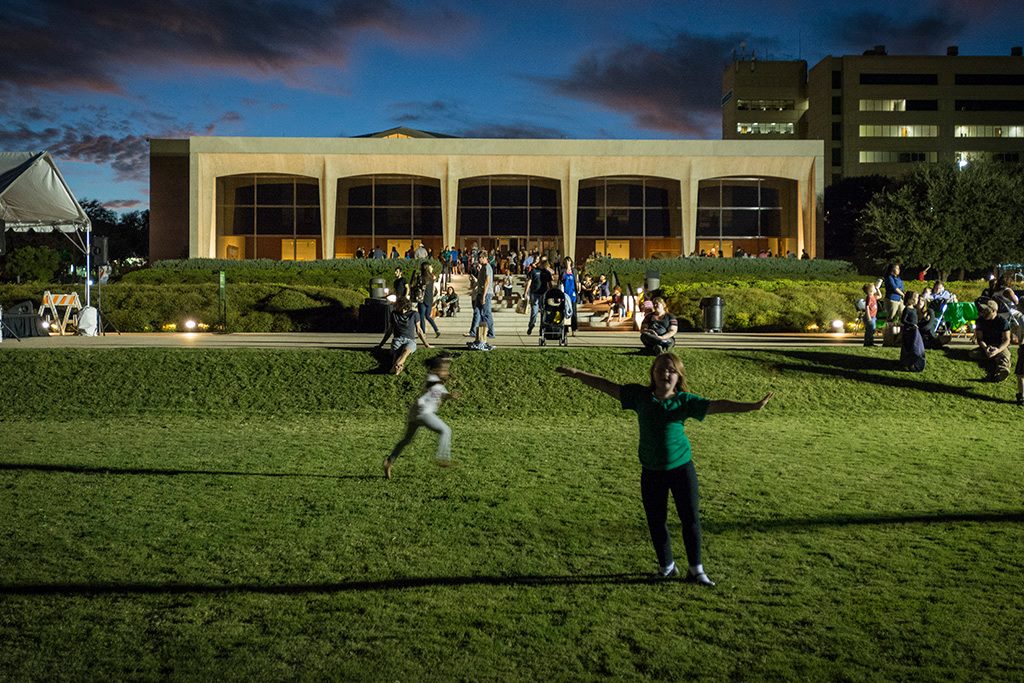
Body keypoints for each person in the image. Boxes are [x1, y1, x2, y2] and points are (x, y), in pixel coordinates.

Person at [556, 354, 773, 585]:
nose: (665, 374)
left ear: (678, 376)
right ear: (653, 374)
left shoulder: (684, 401)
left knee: (689, 519)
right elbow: (606, 385)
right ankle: (667, 566)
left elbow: (717, 405)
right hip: (651, 471)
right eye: (660, 369)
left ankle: (696, 570)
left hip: (681, 470)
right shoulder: (640, 396)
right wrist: (578, 374)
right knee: (656, 520)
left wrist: (752, 406)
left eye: (670, 370)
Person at [383, 354, 455, 479]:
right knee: (445, 430)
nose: (446, 371)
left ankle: (389, 461)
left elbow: (443, 394)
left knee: (407, 440)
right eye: (443, 369)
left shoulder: (439, 384)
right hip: (423, 413)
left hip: (415, 413)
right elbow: (430, 385)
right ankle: (443, 458)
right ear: (434, 370)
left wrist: (451, 396)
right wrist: (442, 376)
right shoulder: (431, 377)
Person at [375, 296, 432, 375]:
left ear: (407, 307)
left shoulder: (414, 314)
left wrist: (426, 344)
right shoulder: (394, 314)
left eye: (404, 308)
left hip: (410, 340)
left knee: (406, 351)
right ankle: (397, 367)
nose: (402, 310)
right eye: (400, 308)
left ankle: (395, 367)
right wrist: (381, 344)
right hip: (397, 339)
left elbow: (419, 330)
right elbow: (390, 330)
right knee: (396, 354)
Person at [971, 299, 1011, 382]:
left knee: (1004, 356)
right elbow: (980, 339)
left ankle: (1002, 370)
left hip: (999, 345)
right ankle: (992, 358)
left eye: (986, 311)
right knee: (973, 354)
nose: (983, 313)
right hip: (987, 345)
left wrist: (997, 350)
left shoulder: (1003, 322)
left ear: (993, 311)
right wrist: (985, 348)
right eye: (983, 310)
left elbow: (1007, 340)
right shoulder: (980, 321)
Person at [467, 250, 495, 344]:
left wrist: (483, 296)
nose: (478, 259)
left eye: (480, 258)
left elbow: (487, 282)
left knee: (487, 313)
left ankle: (491, 332)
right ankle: (473, 331)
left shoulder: (487, 267)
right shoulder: (483, 267)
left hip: (486, 294)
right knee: (477, 312)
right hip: (480, 292)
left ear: (484, 258)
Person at [897, 291, 925, 372]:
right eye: (915, 298)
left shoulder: (914, 309)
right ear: (909, 300)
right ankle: (906, 363)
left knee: (914, 347)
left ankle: (913, 363)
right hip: (908, 331)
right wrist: (911, 324)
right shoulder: (907, 309)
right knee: (908, 348)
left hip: (914, 331)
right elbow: (903, 320)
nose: (917, 300)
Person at [525, 256, 552, 336]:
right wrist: (526, 292)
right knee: (534, 312)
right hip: (534, 293)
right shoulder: (534, 271)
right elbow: (529, 281)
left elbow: (549, 283)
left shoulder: (547, 273)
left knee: (543, 313)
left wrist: (551, 293)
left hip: (543, 294)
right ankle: (531, 325)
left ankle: (542, 329)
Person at [413, 262, 440, 338]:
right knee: (428, 316)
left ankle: (423, 333)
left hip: (422, 299)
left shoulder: (421, 277)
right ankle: (436, 329)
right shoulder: (431, 278)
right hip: (429, 299)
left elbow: (416, 285)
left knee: (422, 317)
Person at [883, 263, 906, 332]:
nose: (899, 270)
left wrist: (903, 293)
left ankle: (902, 333)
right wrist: (902, 294)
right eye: (897, 268)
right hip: (892, 299)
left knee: (903, 315)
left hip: (900, 299)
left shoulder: (898, 278)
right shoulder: (889, 278)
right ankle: (889, 333)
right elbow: (894, 288)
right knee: (891, 316)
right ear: (892, 269)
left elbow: (901, 288)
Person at [561, 256, 579, 335]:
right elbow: (560, 280)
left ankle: (574, 329)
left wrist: (578, 288)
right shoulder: (563, 271)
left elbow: (577, 281)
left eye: (569, 261)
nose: (568, 263)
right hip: (565, 293)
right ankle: (565, 329)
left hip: (573, 293)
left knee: (573, 312)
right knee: (565, 311)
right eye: (566, 261)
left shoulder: (574, 271)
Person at [862, 282, 878, 347]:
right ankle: (867, 343)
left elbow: (880, 296)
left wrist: (877, 288)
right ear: (871, 290)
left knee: (872, 330)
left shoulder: (873, 296)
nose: (875, 289)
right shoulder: (869, 297)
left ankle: (870, 342)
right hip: (870, 316)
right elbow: (867, 307)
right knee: (869, 330)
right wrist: (868, 317)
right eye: (874, 288)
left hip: (873, 316)